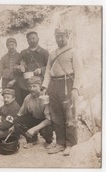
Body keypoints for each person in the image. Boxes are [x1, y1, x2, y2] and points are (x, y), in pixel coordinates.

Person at [42, 27, 82, 156]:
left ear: (67, 36)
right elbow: (48, 71)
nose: (59, 39)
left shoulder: (73, 51)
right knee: (56, 115)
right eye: (57, 36)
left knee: (69, 116)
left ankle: (70, 144)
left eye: (62, 36)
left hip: (67, 84)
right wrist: (44, 86)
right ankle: (60, 143)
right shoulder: (52, 54)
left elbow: (79, 72)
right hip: (53, 85)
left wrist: (75, 88)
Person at [9, 76, 54, 149]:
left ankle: (49, 141)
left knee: (46, 130)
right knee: (17, 121)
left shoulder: (45, 98)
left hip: (46, 121)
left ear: (40, 86)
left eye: (34, 86)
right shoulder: (28, 98)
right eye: (30, 87)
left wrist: (33, 129)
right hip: (34, 118)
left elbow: (49, 120)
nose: (31, 89)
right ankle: (32, 140)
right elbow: (21, 114)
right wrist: (14, 125)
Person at [12, 31, 49, 106]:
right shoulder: (23, 52)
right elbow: (14, 65)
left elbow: (50, 66)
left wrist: (41, 69)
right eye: (29, 39)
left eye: (33, 38)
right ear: (27, 41)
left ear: (38, 39)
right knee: (26, 103)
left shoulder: (44, 52)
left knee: (40, 103)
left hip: (40, 83)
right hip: (25, 84)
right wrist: (19, 67)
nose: (31, 40)